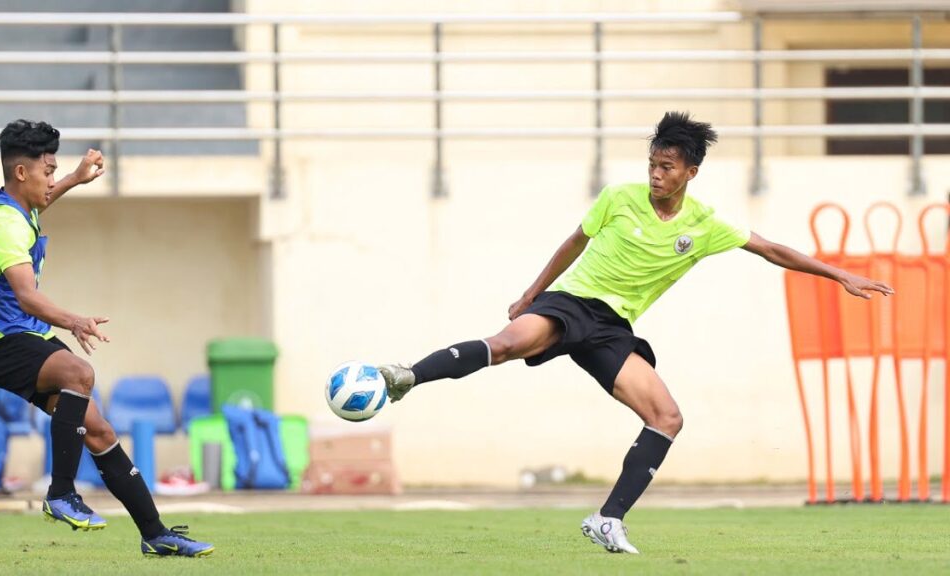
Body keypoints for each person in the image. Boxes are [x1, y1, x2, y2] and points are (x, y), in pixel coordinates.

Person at [377, 111, 893, 554]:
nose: (655, 175)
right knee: (506, 344)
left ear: (690, 172)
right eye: (652, 164)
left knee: (667, 417)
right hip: (573, 302)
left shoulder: (705, 224)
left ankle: (608, 519)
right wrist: (533, 292)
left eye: (667, 167)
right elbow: (573, 243)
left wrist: (839, 274)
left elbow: (773, 249)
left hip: (612, 330)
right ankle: (406, 376)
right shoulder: (618, 198)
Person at [0, 119, 214, 558]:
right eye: (49, 171)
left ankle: (156, 535)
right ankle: (61, 493)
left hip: (22, 334)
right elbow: (26, 297)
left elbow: (40, 204)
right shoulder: (2, 224)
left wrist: (76, 179)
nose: (52, 180)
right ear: (22, 172)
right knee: (80, 372)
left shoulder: (19, 210)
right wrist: (75, 321)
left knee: (97, 428)